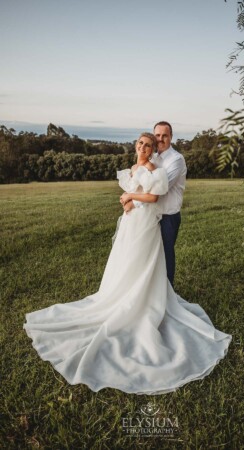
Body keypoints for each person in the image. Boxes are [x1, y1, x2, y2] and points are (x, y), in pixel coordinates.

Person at [23, 132, 232, 395]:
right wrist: (128, 201)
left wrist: (129, 197)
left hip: (145, 224)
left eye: (149, 144)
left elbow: (154, 198)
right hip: (131, 223)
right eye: (141, 143)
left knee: (141, 264)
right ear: (136, 146)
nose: (144, 147)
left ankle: (140, 302)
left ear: (153, 149)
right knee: (124, 262)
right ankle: (117, 296)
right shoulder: (134, 167)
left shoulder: (153, 169)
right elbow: (136, 191)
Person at [122, 121, 186, 286]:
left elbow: (159, 190)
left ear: (171, 137)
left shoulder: (176, 160)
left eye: (165, 135)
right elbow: (142, 185)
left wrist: (132, 200)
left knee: (166, 255)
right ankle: (151, 291)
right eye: (157, 135)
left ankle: (167, 292)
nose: (161, 139)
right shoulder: (154, 157)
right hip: (151, 215)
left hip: (167, 215)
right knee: (150, 258)